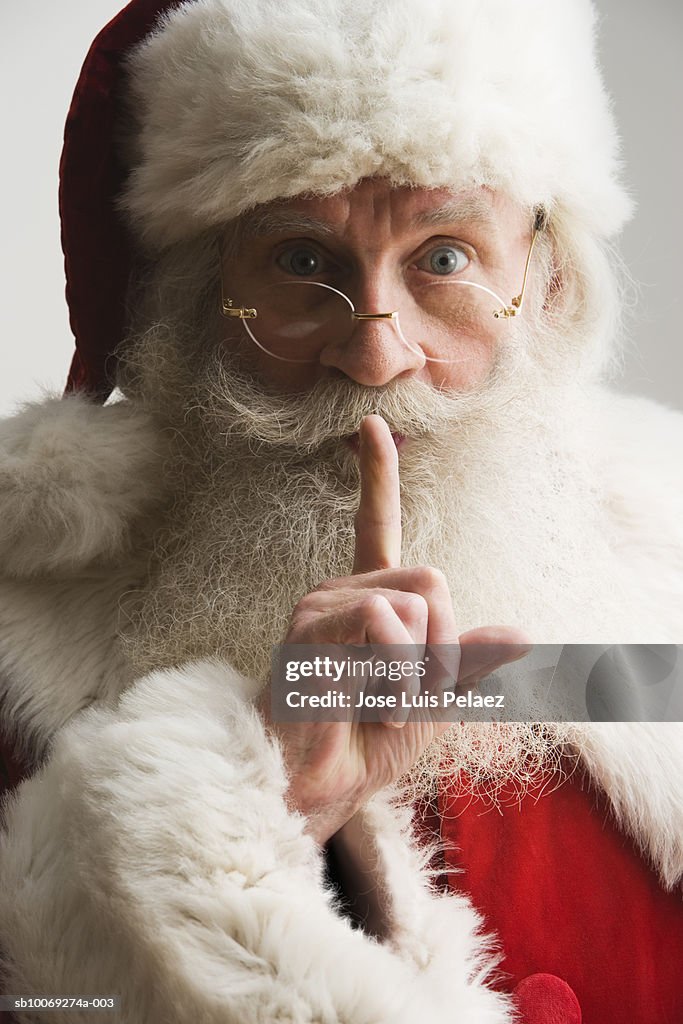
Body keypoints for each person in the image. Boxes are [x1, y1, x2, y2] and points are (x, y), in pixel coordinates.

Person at [0, 1, 682, 1021]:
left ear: (541, 280)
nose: (374, 356)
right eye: (298, 262)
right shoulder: (27, 619)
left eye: (444, 256)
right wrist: (244, 814)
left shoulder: (662, 535)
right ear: (193, 296)